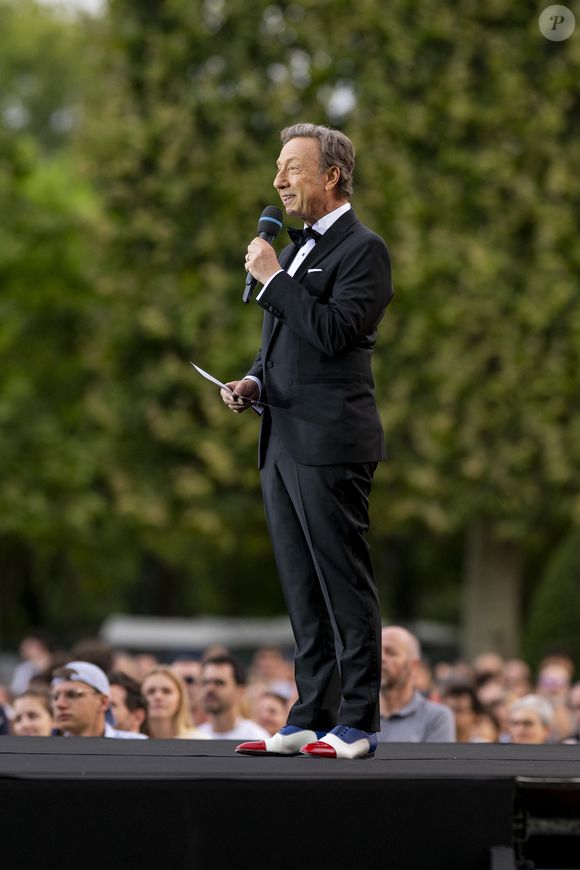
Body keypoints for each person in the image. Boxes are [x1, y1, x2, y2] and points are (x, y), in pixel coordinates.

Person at [223, 123, 393, 761]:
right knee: (300, 585)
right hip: (281, 438)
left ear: (332, 176)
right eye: (277, 168)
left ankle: (356, 723)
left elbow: (335, 332)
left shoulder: (364, 249)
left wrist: (273, 277)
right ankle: (308, 713)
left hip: (331, 444)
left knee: (342, 583)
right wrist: (253, 381)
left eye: (291, 168)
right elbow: (289, 348)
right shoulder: (293, 250)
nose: (278, 181)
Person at [378, 627, 455, 742]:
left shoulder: (435, 718)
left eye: (391, 653)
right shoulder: (355, 714)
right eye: (377, 652)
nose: (381, 658)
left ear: (413, 666)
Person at [51, 661, 147, 738]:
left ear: (103, 702)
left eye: (73, 694)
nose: (60, 704)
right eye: (55, 697)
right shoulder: (43, 750)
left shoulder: (135, 746)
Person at [197, 655, 269, 741]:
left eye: (219, 683)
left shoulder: (257, 739)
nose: (209, 689)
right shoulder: (195, 738)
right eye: (205, 682)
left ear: (240, 691)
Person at [141, 667, 204, 739]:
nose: (158, 697)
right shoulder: (132, 739)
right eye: (151, 691)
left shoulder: (198, 740)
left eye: (166, 691)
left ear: (180, 699)